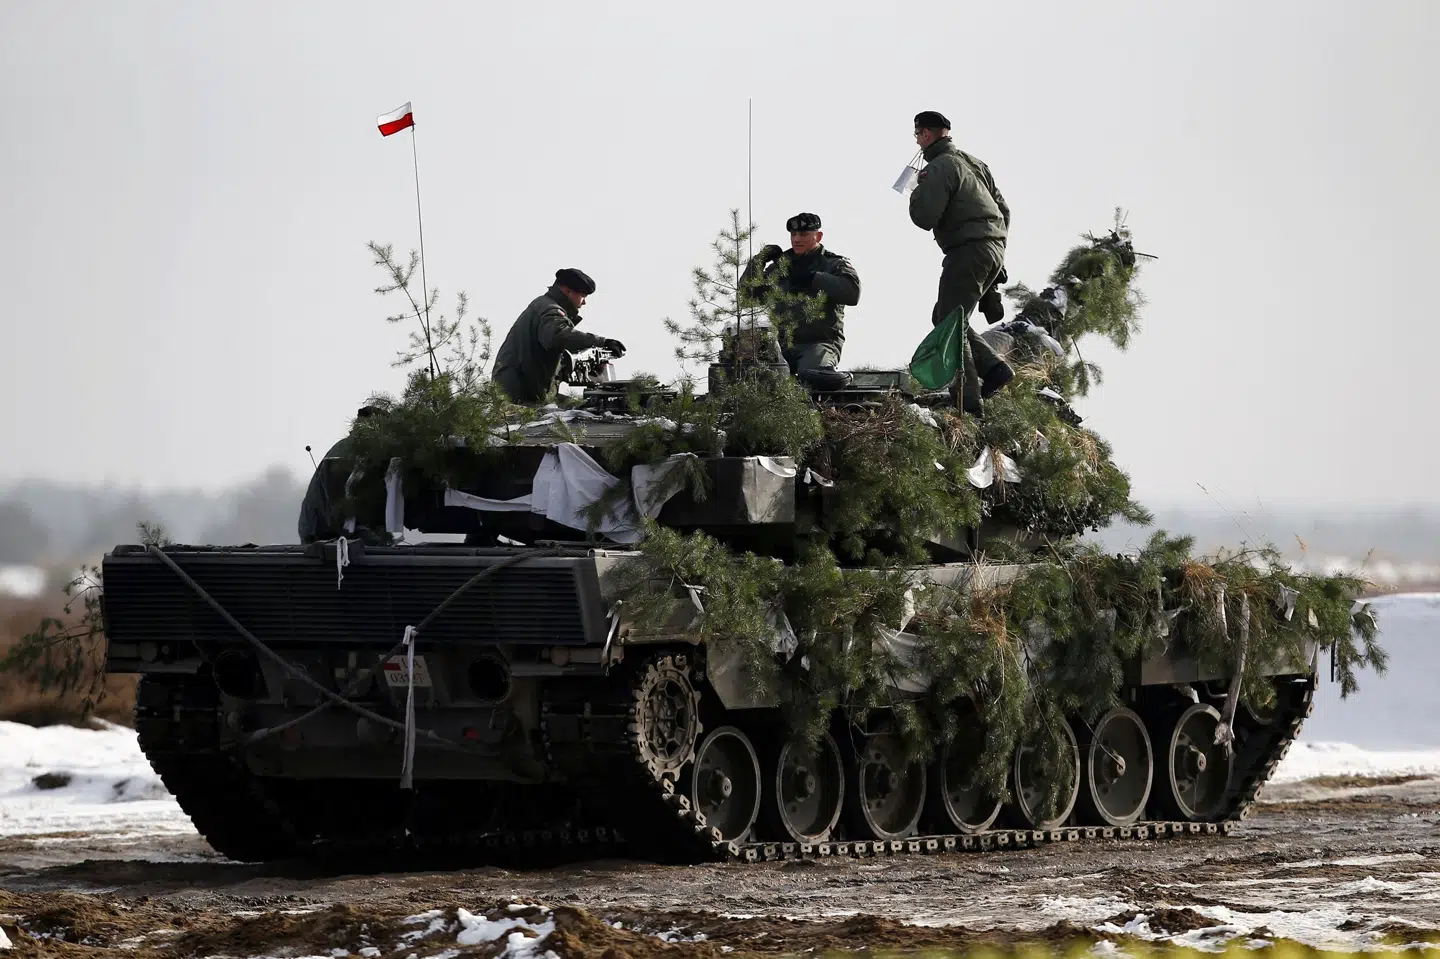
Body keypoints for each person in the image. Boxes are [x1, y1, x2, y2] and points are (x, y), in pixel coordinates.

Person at [907, 110, 1015, 414]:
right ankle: (993, 369)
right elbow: (1003, 210)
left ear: (926, 134)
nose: (917, 141)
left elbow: (924, 218)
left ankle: (966, 403)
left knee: (949, 324)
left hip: (966, 251)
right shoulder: (974, 163)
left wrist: (917, 190)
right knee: (947, 316)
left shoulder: (940, 167)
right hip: (991, 249)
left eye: (917, 135)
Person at [739, 212, 860, 375]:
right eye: (793, 234)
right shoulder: (782, 265)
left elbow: (852, 294)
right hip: (781, 345)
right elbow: (748, 298)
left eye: (803, 234)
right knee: (753, 375)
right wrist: (757, 263)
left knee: (811, 374)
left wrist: (813, 278)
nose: (796, 239)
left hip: (820, 343)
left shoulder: (833, 264)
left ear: (819, 236)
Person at [492, 269, 626, 405]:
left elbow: (555, 350)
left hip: (527, 389)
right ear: (568, 291)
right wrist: (600, 342)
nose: (584, 302)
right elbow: (557, 336)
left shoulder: (544, 305)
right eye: (583, 296)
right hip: (520, 393)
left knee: (582, 406)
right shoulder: (550, 310)